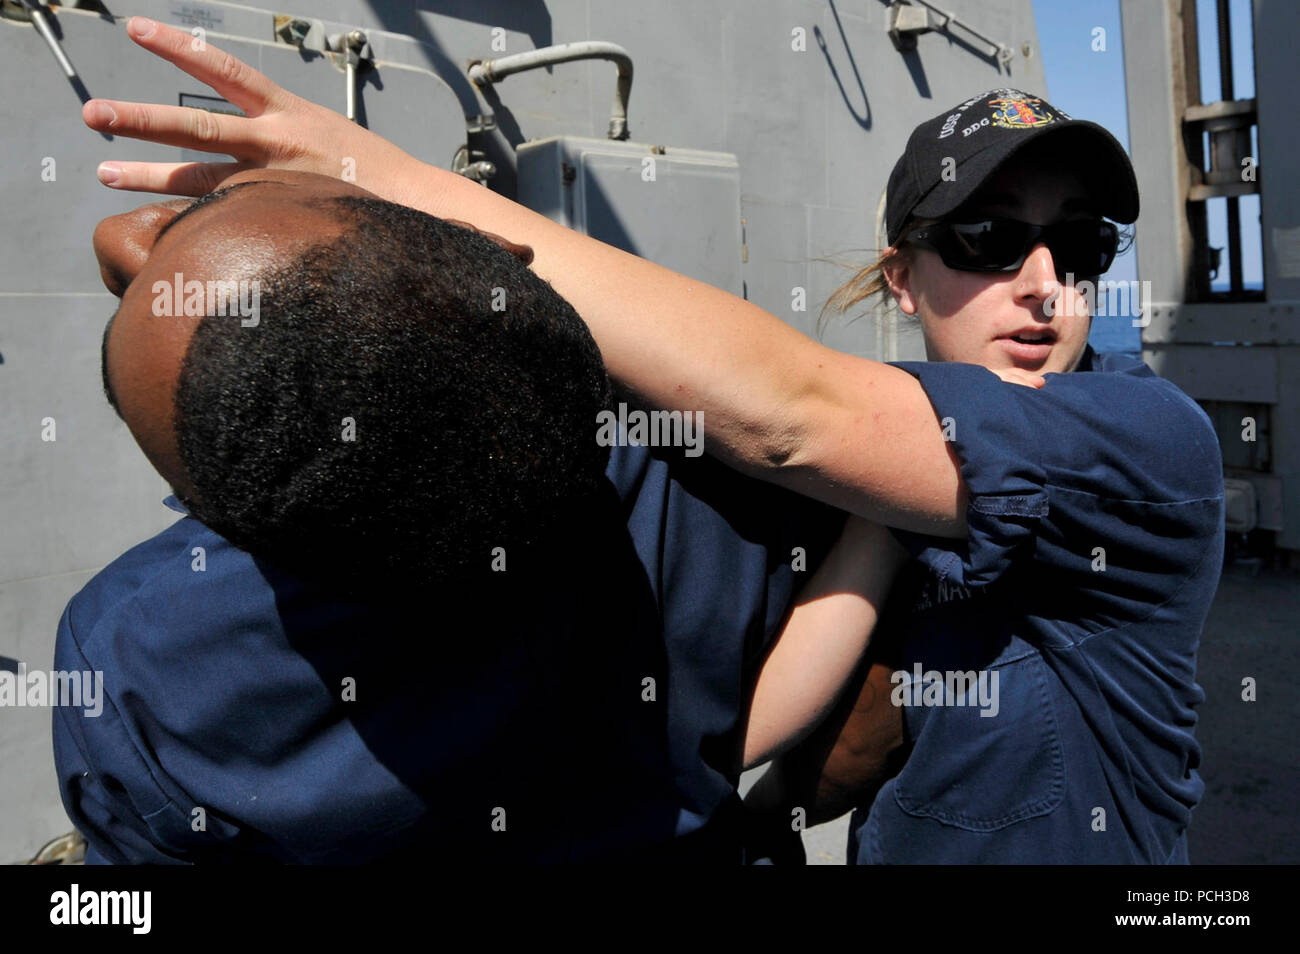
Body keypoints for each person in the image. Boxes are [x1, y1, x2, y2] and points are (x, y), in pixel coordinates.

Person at [84, 19, 1224, 863]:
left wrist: (387, 181)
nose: (1043, 288)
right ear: (901, 272)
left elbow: (792, 416)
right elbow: (748, 721)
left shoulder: (1147, 442)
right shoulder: (873, 459)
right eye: (987, 236)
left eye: (1080, 246)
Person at [55, 174, 864, 863]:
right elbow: (873, 722)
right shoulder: (738, 477)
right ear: (499, 246)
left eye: (204, 207)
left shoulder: (134, 659)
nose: (118, 233)